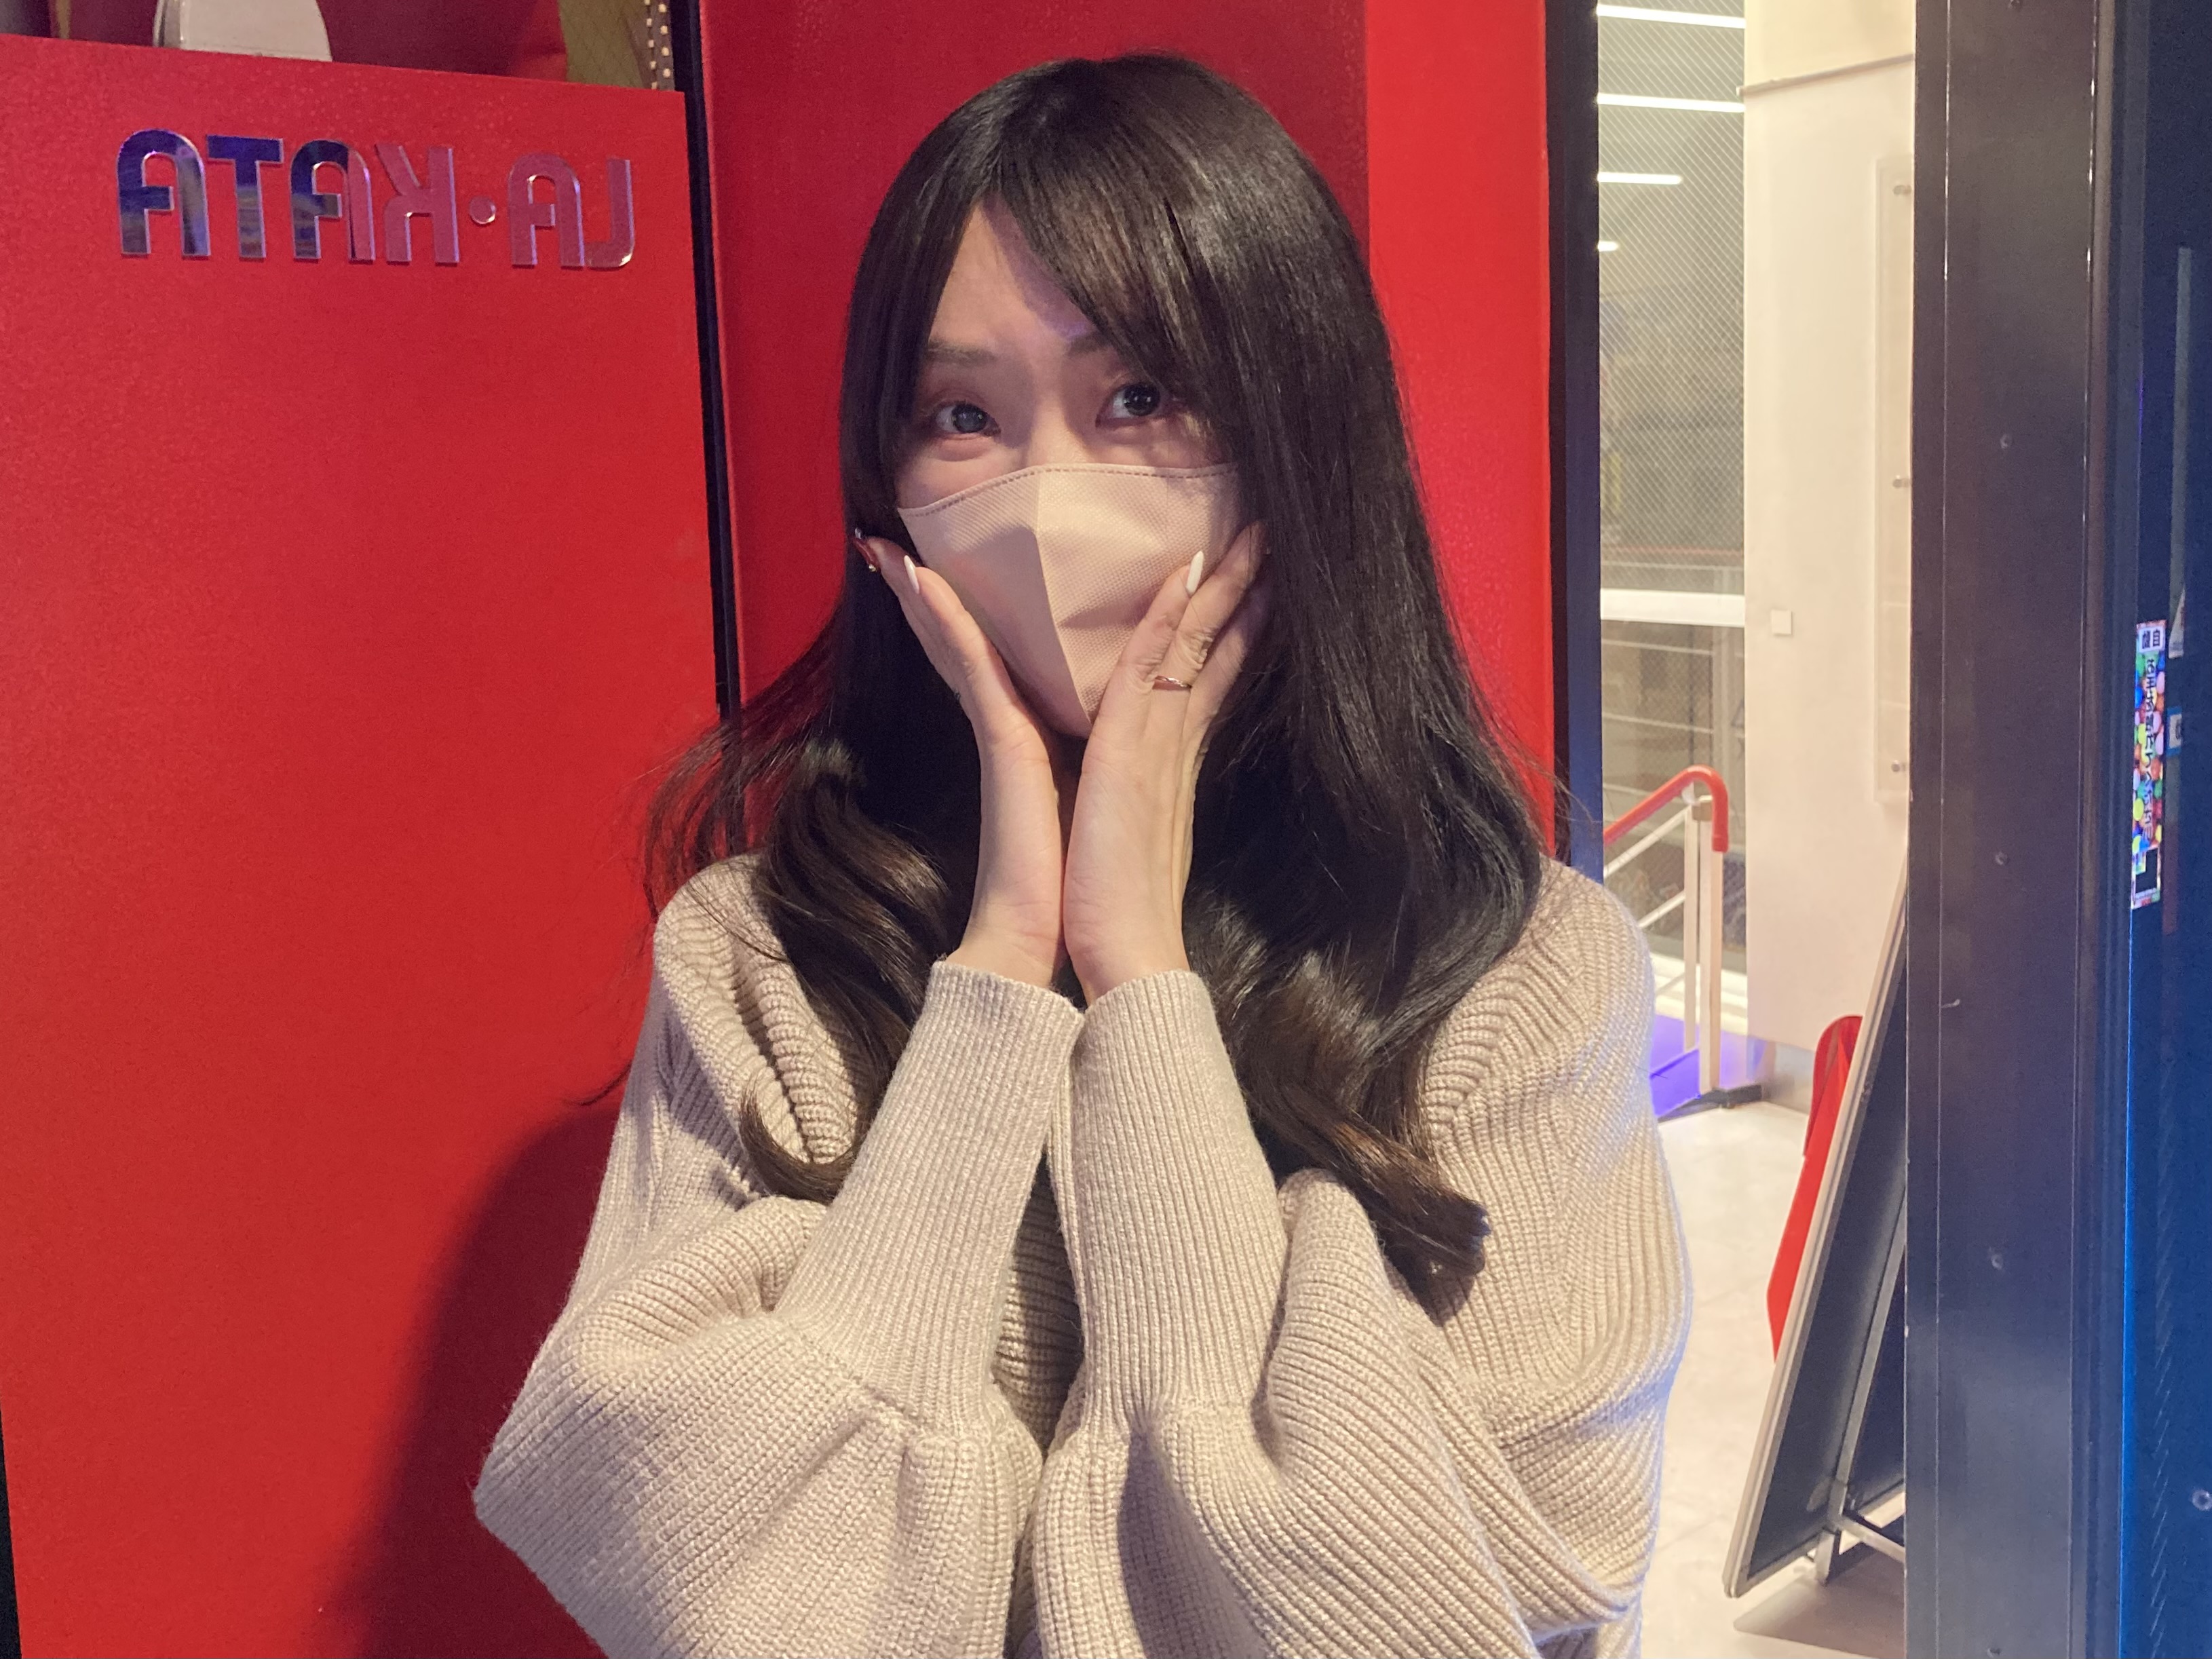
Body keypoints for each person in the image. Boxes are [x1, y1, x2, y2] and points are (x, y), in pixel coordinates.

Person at [474, 53, 1689, 1659]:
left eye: (1138, 398)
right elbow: (713, 1582)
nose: (1047, 497)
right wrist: (996, 976)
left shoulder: (1517, 973)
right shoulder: (759, 956)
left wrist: (1140, 984)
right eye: (961, 416)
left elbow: (1467, 1602)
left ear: (1297, 432)